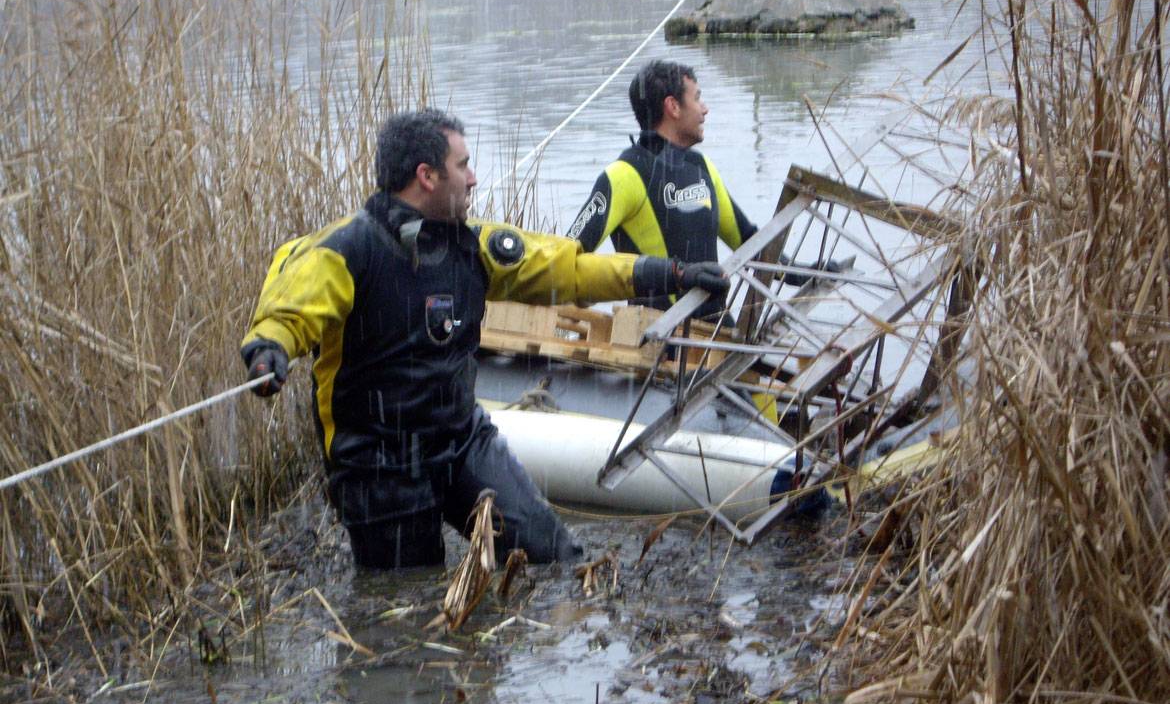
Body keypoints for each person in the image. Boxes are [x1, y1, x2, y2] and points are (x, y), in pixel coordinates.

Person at [240, 109, 728, 569]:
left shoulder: (472, 245)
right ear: (427, 176)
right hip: (377, 465)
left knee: (554, 558)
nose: (473, 177)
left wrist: (669, 272)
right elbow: (292, 310)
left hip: (461, 442)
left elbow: (569, 269)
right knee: (407, 602)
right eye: (463, 165)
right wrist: (269, 351)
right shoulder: (345, 250)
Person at [566, 59, 834, 320]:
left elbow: (751, 245)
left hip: (716, 335)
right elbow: (566, 261)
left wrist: (806, 273)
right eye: (697, 98)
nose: (705, 109)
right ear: (673, 106)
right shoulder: (624, 175)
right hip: (660, 341)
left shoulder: (702, 167)